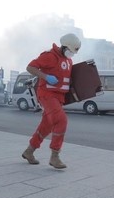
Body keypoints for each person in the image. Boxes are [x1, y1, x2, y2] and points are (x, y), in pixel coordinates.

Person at [21, 33, 81, 169]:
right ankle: (55, 156)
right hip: (47, 94)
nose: (72, 54)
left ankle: (29, 151)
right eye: (71, 51)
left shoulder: (68, 61)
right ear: (64, 47)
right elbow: (30, 67)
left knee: (46, 126)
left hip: (59, 98)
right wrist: (46, 76)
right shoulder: (49, 56)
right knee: (61, 120)